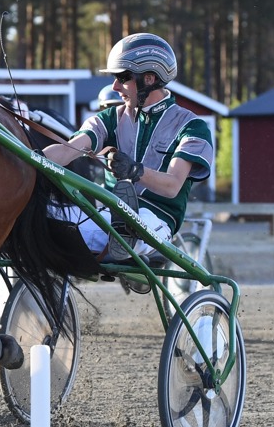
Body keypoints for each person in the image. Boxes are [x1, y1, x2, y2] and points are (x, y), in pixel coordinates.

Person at [43, 34, 214, 271]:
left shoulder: (191, 127)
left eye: (122, 78)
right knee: (43, 211)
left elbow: (172, 185)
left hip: (154, 219)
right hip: (107, 211)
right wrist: (31, 159)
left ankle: (124, 241)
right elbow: (69, 149)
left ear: (150, 78)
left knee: (131, 227)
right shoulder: (110, 118)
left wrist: (135, 170)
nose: (114, 87)